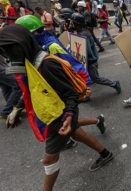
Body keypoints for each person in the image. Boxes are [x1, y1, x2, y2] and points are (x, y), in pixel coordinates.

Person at [0, 25, 113, 191]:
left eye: (9, 51)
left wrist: (68, 116)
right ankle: (105, 153)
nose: (7, 57)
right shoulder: (32, 63)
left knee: (49, 160)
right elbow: (34, 89)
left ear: (21, 45)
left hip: (59, 117)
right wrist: (17, 107)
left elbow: (71, 93)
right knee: (76, 133)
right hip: (57, 113)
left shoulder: (47, 65)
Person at [71, 12, 121, 94]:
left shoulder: (84, 34)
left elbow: (87, 51)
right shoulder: (83, 32)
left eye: (73, 22)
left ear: (77, 23)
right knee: (91, 77)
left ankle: (115, 84)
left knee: (96, 78)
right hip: (91, 59)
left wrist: (83, 60)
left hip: (91, 60)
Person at [0, 55, 22, 122]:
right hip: (2, 69)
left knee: (6, 88)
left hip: (2, 66)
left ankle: (10, 110)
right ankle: (7, 111)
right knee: (18, 86)